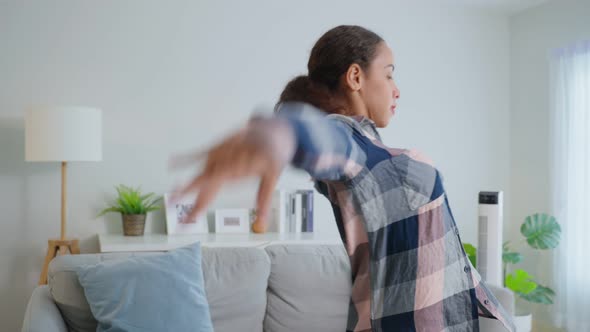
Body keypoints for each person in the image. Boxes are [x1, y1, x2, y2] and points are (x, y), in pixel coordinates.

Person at [172, 25, 515, 332]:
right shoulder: (357, 152)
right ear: (355, 77)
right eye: (389, 74)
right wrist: (284, 132)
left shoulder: (376, 155)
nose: (396, 90)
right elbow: (331, 143)